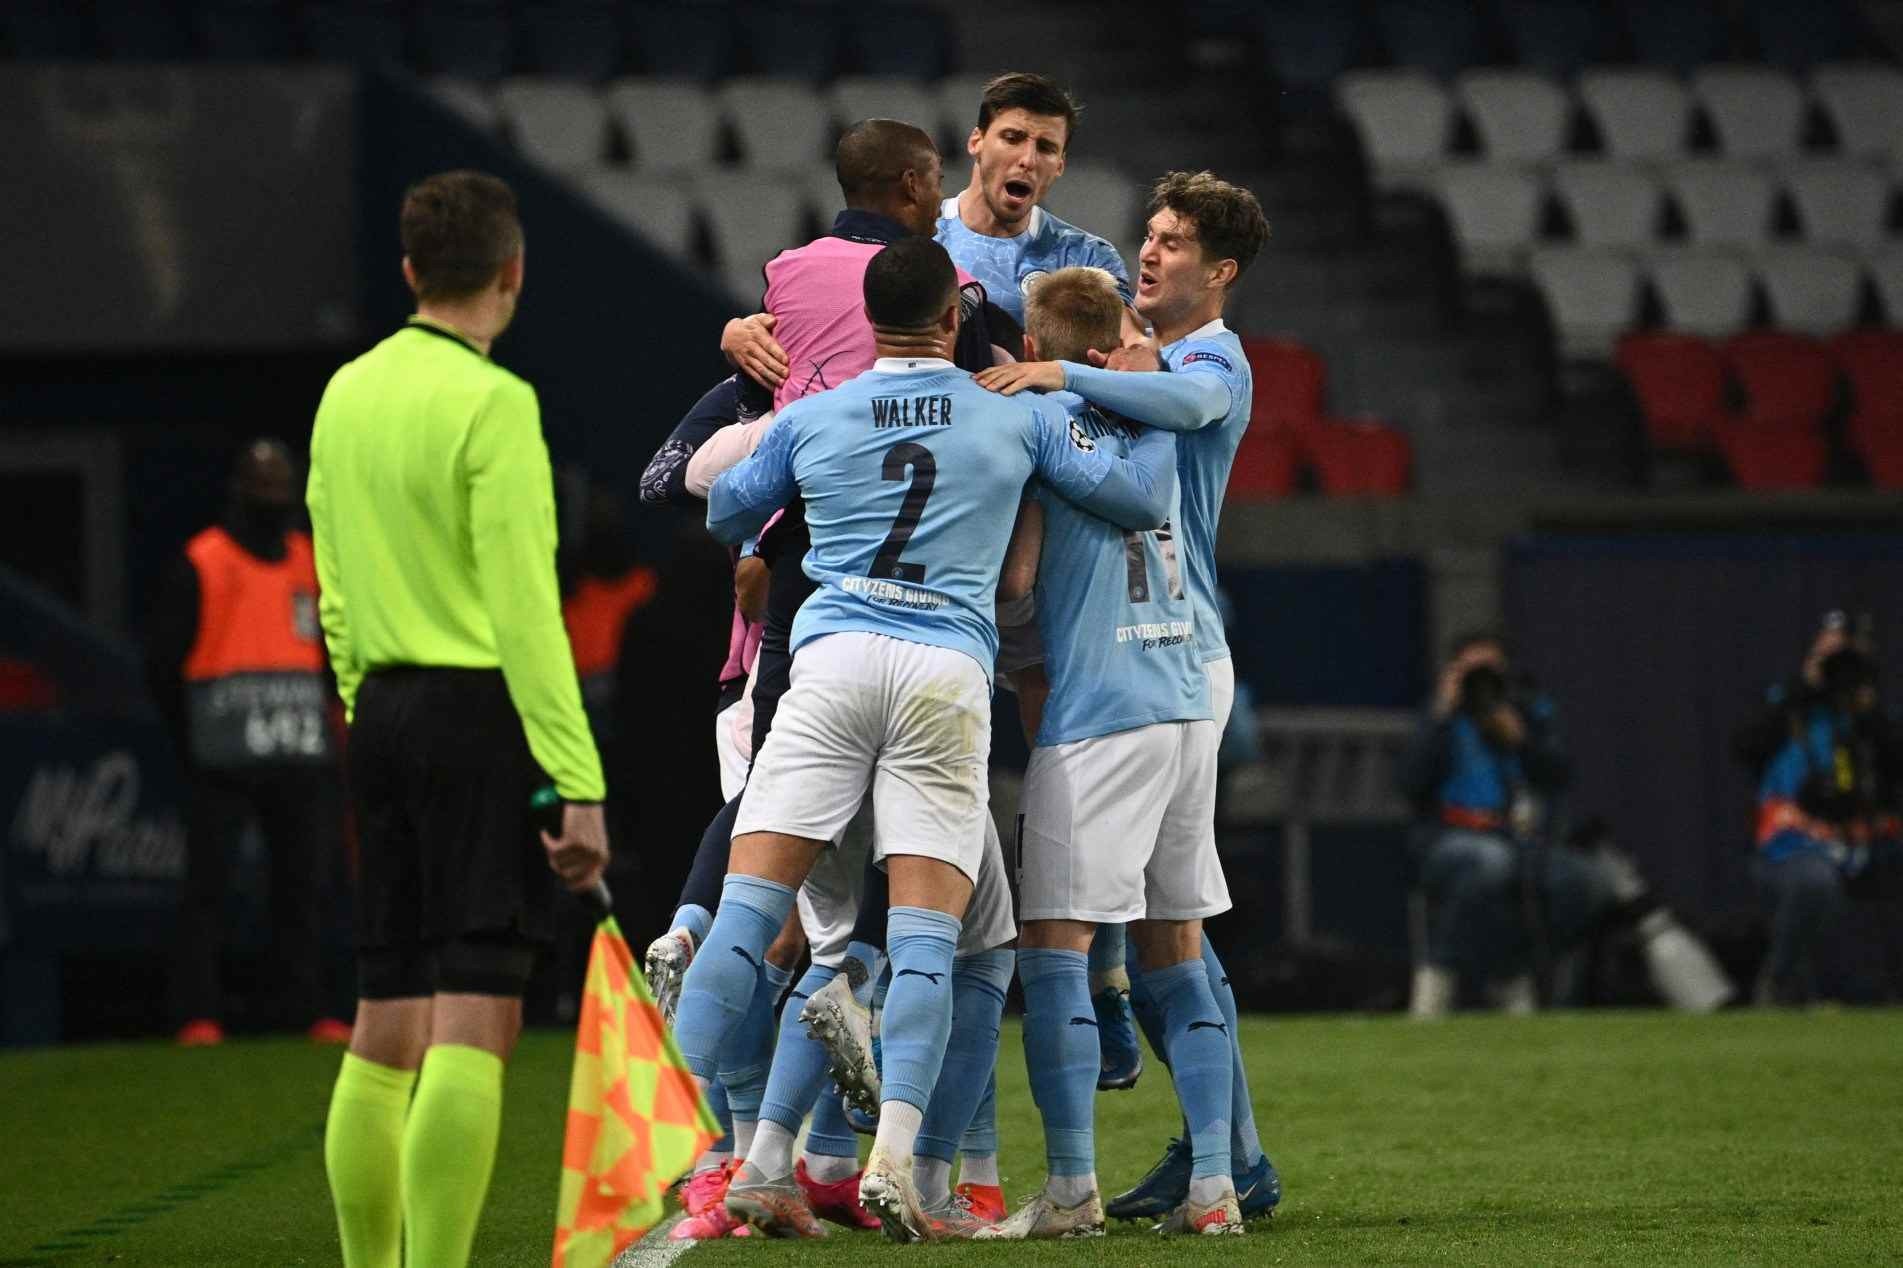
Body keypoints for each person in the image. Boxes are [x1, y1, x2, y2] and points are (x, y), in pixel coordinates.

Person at [678, 235, 1176, 1243]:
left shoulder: (813, 414)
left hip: (830, 662)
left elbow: (723, 505)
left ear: (868, 322)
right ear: (956, 318)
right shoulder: (1016, 414)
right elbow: (1134, 496)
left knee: (745, 912)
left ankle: (708, 1152)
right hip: (943, 672)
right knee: (922, 938)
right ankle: (899, 1164)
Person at [308, 169, 609, 1268]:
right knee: (476, 1010)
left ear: (408, 271)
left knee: (385, 1010)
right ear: (513, 273)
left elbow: (332, 587)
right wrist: (576, 777)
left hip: (378, 709)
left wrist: (365, 708)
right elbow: (526, 608)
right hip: (475, 714)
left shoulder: (344, 390)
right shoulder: (496, 402)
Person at [976, 170, 1282, 1226]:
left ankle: (1083, 1182)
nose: (1146, 254)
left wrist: (1049, 371)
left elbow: (1181, 419)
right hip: (1180, 669)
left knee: (1059, 936)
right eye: (1145, 238)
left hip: (1131, 674)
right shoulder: (1130, 372)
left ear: (1221, 271)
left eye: (1171, 243)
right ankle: (1220, 1170)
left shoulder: (1204, 361)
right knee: (1171, 934)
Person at [148, 438, 349, 1047]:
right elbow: (161, 664)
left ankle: (306, 1008)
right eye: (261, 489)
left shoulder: (309, 562)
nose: (271, 500)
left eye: (279, 490)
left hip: (300, 751)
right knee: (207, 887)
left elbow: (336, 655)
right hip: (222, 759)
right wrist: (190, 741)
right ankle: (197, 1015)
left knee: (305, 886)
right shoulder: (202, 562)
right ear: (238, 491)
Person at [1738, 617, 1902, 1003]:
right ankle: (1779, 983)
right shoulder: (1789, 708)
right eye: (1827, 655)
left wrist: (1866, 705)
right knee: (1815, 882)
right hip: (1795, 847)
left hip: (1868, 844)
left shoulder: (1872, 716)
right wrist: (1805, 686)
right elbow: (1745, 748)